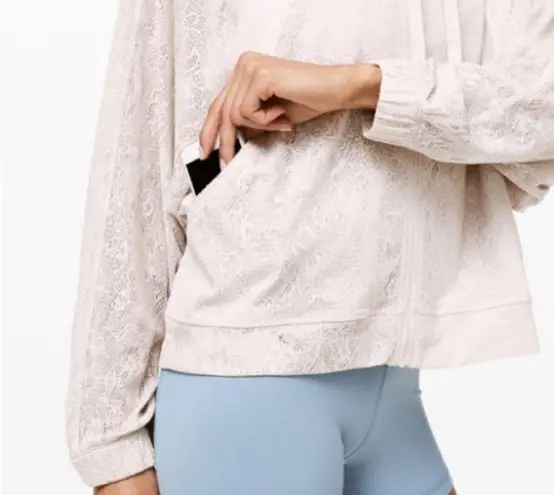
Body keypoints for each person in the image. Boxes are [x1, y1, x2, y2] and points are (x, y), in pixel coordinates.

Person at [66, 0, 554, 494]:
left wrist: (359, 86)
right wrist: (111, 447)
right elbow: (137, 165)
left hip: (396, 383)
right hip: (246, 376)